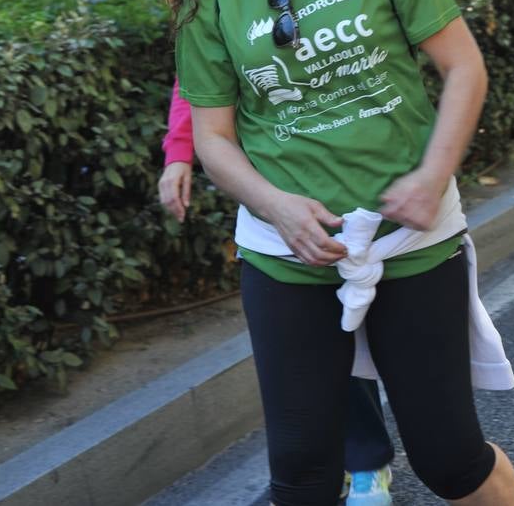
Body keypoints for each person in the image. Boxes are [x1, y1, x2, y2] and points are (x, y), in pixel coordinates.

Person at [158, 0, 514, 506]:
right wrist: (278, 208)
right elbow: (216, 139)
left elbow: (463, 68)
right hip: (285, 256)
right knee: (301, 473)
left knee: (449, 459)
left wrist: (431, 177)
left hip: (409, 242)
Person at [158, 81, 399, 505]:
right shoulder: (207, 14)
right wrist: (179, 153)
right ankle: (333, 463)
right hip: (269, 192)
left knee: (347, 328)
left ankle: (366, 463)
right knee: (306, 348)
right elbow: (194, 76)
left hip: (344, 170)